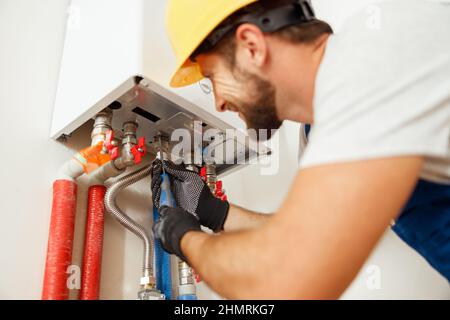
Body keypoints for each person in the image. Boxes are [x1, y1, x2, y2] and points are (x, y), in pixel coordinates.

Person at [151, 0, 450, 299]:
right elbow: (311, 239)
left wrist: (183, 238)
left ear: (252, 46)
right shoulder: (319, 131)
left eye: (212, 78)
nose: (218, 102)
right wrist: (214, 212)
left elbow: (283, 281)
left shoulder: (375, 57)